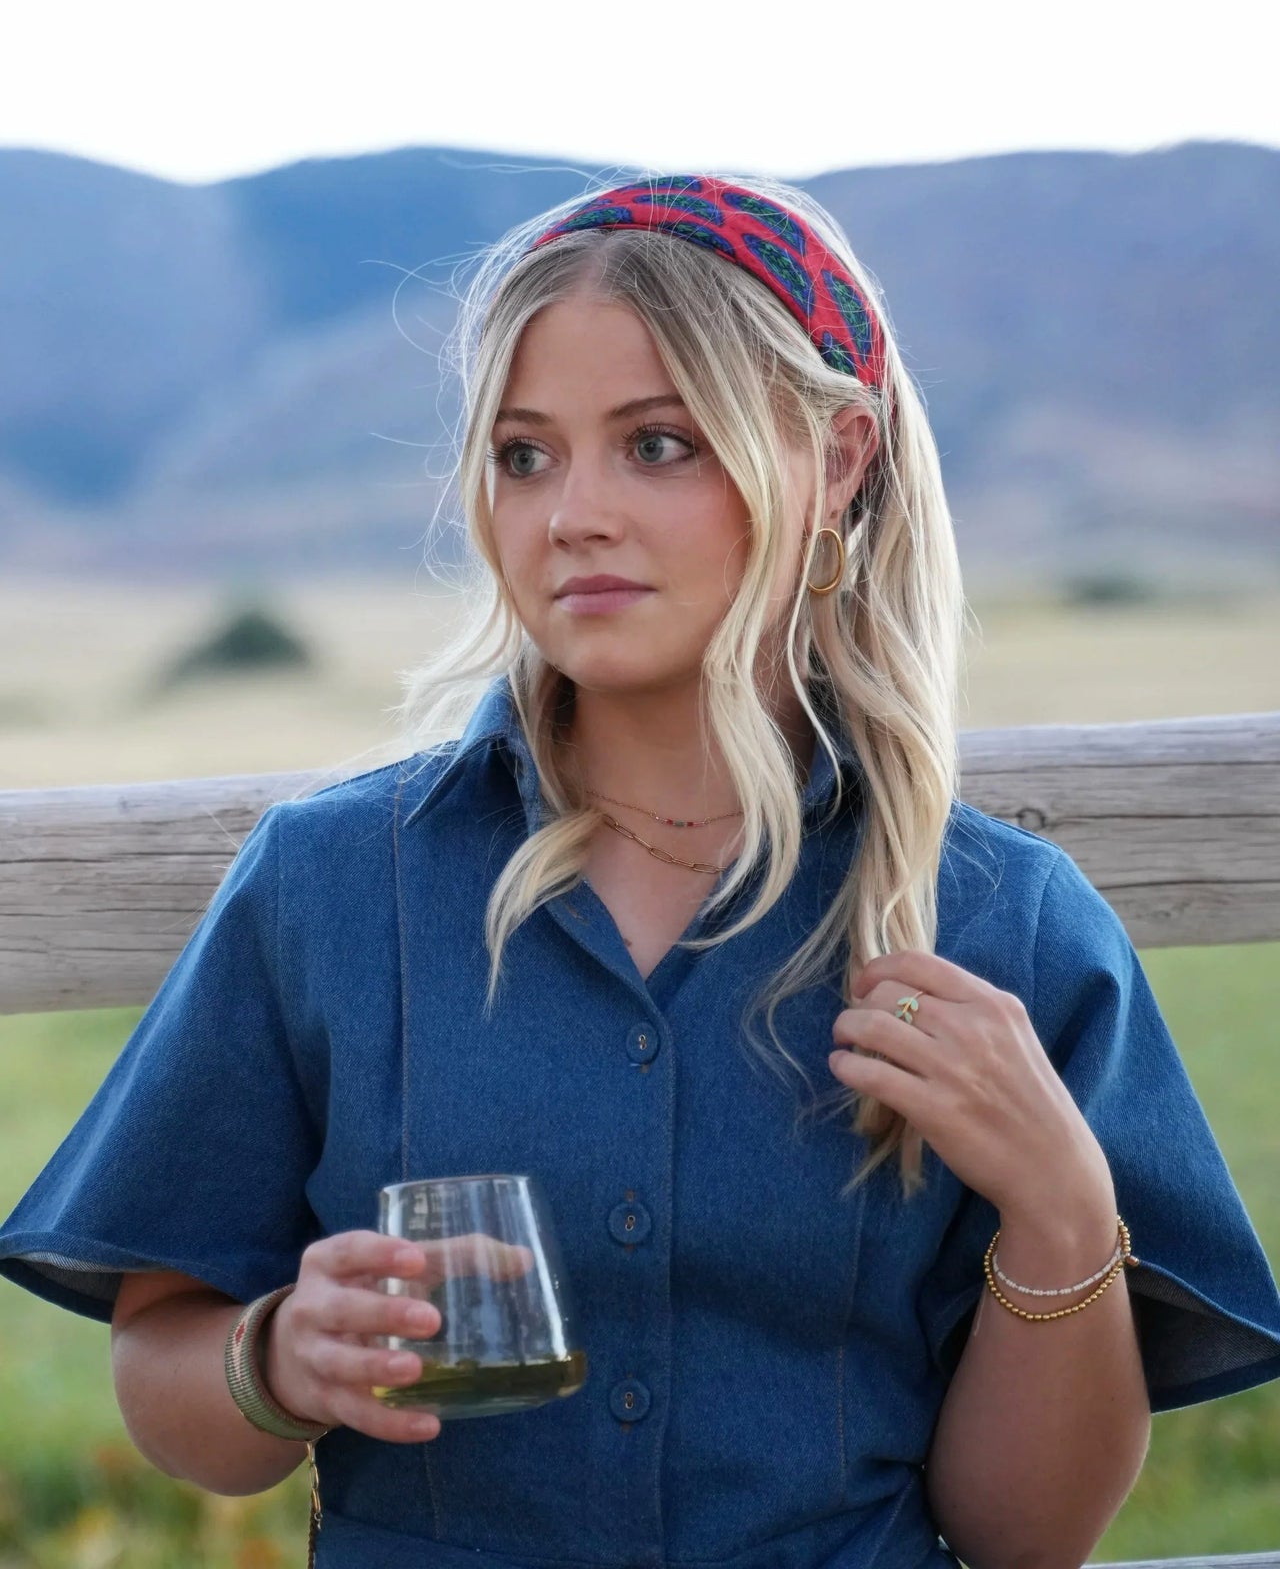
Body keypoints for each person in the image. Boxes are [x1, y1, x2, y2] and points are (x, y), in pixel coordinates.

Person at [3, 171, 1280, 1569]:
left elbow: (1024, 1537)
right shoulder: (330, 889)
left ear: (839, 459)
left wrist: (1061, 1205)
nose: (573, 515)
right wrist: (273, 1357)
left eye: (659, 445)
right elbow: (170, 1381)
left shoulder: (1005, 929)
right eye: (525, 454)